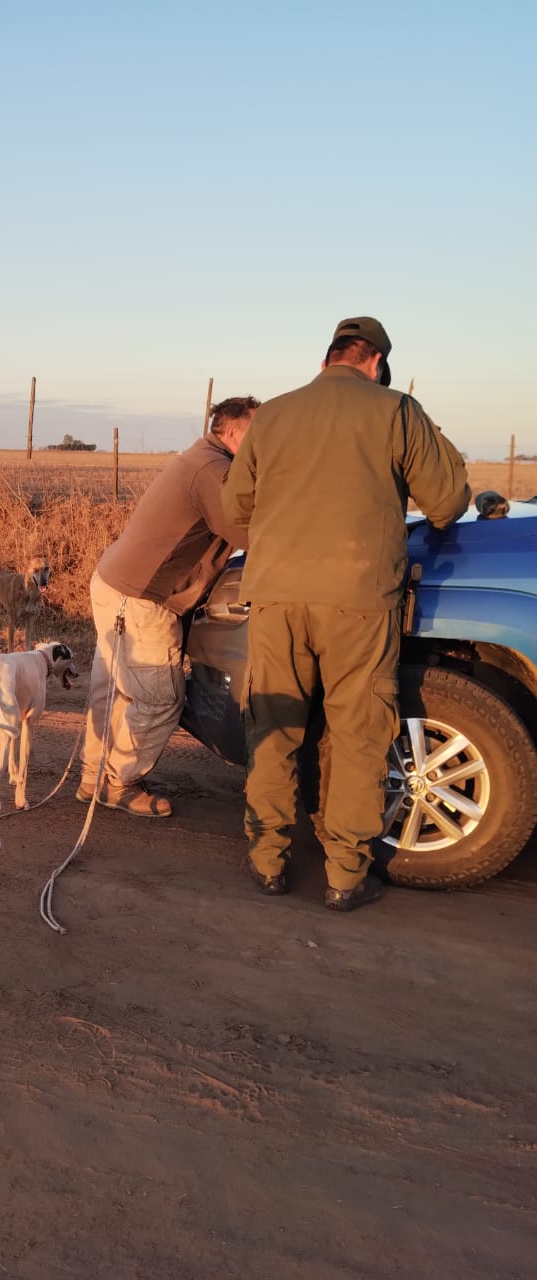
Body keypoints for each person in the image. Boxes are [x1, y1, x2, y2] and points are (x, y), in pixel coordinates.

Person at [222, 317, 471, 911]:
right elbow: (446, 502)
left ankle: (267, 862)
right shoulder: (397, 410)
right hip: (359, 600)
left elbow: (237, 504)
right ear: (376, 363)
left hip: (277, 598)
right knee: (360, 733)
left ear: (328, 358)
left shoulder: (274, 414)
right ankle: (345, 876)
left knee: (274, 726)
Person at [77, 396, 259, 817]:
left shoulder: (202, 460)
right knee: (159, 697)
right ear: (232, 434)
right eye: (259, 433)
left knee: (120, 689)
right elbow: (252, 531)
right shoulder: (213, 472)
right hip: (141, 598)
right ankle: (119, 783)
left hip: (118, 584)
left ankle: (93, 779)